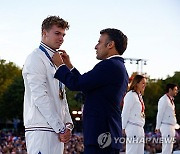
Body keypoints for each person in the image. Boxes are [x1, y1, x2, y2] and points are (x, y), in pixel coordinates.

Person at [52, 28, 128, 154]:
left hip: (101, 135)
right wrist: (69, 67)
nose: (95, 46)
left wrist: (60, 66)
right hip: (107, 135)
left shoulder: (108, 66)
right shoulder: (118, 66)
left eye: (99, 42)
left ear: (110, 45)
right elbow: (86, 85)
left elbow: (76, 84)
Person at [22, 16, 73, 154]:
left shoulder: (57, 61)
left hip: (56, 129)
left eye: (63, 34)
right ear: (44, 33)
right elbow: (40, 97)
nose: (61, 38)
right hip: (41, 128)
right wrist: (60, 127)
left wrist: (68, 124)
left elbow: (62, 97)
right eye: (57, 33)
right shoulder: (35, 58)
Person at [121, 75, 147, 154]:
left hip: (140, 127)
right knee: (132, 152)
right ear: (136, 83)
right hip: (133, 126)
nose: (144, 85)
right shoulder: (130, 95)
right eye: (142, 83)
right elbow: (125, 112)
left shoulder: (139, 96)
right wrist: (123, 127)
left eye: (145, 83)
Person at [155, 83, 179, 154]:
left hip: (171, 126)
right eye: (175, 90)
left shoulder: (171, 100)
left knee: (169, 148)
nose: (176, 91)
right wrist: (157, 127)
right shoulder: (164, 100)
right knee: (167, 148)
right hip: (166, 126)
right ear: (170, 90)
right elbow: (160, 114)